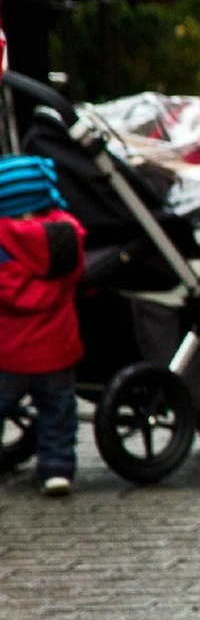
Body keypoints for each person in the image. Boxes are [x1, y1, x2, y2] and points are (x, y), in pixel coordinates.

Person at [0, 162, 87, 498]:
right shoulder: (65, 236)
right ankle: (56, 469)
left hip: (9, 354)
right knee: (58, 412)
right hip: (57, 351)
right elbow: (79, 274)